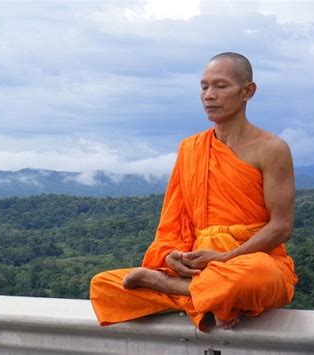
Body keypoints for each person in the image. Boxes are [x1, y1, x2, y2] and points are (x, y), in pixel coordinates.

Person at [89, 52, 298, 331]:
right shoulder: (191, 148)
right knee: (103, 284)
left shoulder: (272, 149)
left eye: (221, 86)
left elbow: (281, 227)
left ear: (248, 91)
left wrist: (225, 258)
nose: (209, 95)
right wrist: (172, 257)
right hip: (200, 262)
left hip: (251, 260)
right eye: (204, 87)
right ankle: (213, 296)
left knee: (252, 276)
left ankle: (178, 289)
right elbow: (176, 220)